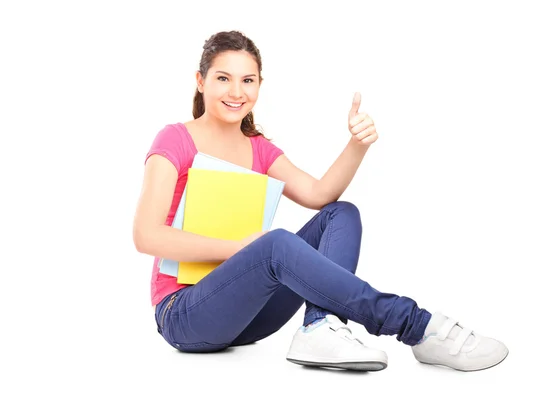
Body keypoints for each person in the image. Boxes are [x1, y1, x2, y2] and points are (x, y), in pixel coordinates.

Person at [133, 30, 509, 372]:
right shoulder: (175, 140)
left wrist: (356, 145)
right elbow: (146, 236)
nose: (236, 92)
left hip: (248, 318)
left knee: (340, 214)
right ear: (201, 82)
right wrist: (237, 249)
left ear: (260, 86)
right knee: (276, 244)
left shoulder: (259, 150)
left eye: (247, 80)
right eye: (223, 78)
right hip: (184, 314)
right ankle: (417, 326)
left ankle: (318, 327)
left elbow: (320, 195)